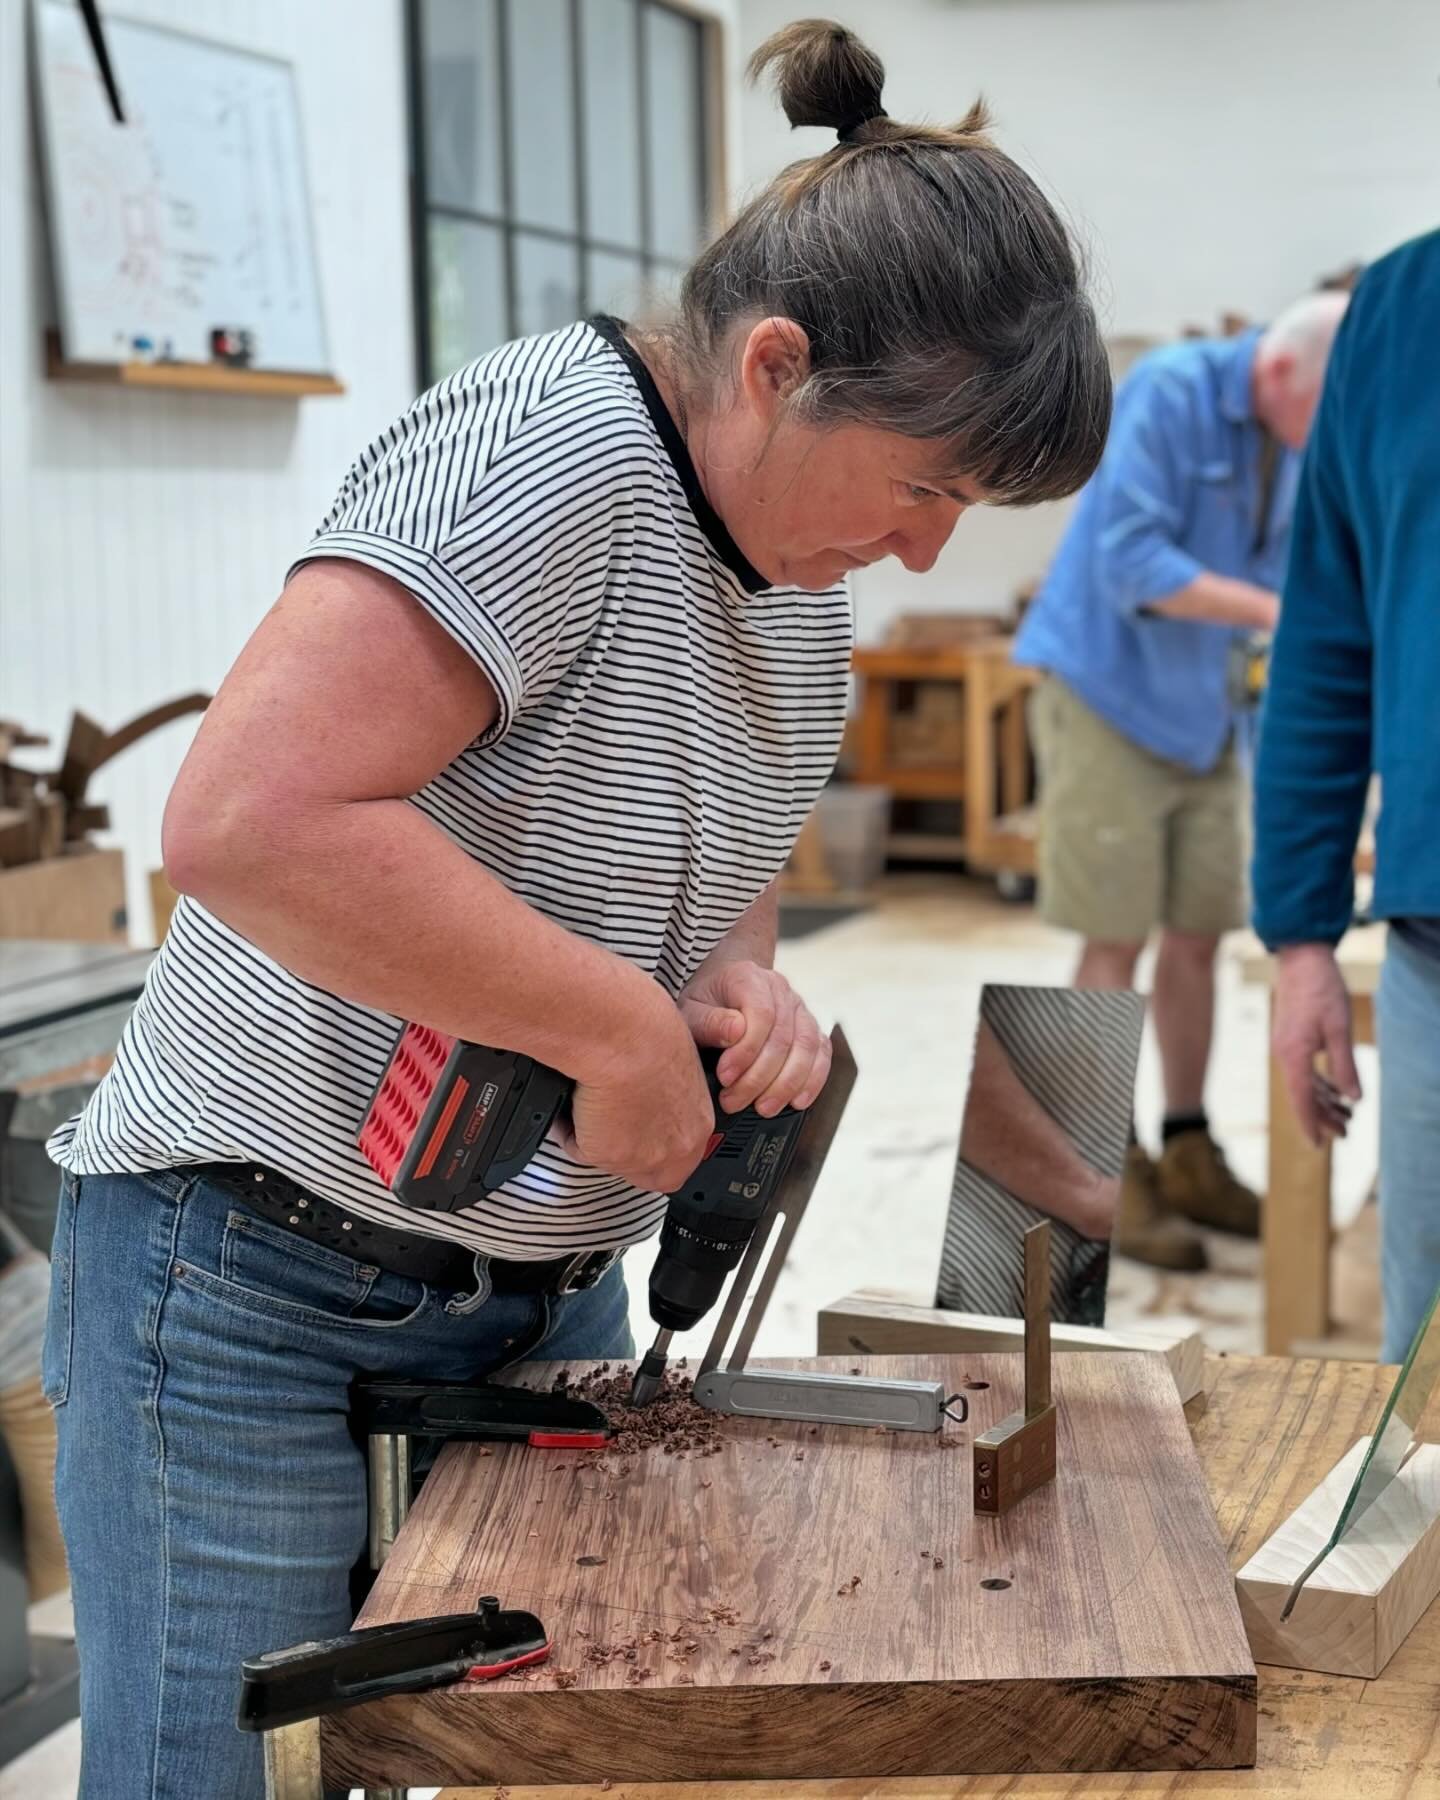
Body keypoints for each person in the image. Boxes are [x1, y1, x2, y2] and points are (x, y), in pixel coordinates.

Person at [41, 20, 1110, 1795]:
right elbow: (248, 817)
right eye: (927, 484)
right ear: (775, 367)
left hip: (541, 1287)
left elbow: (719, 871)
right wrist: (612, 1027)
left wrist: (736, 993)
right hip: (249, 1277)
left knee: (523, 1757)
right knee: (213, 1776)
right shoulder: (549, 452)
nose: (932, 548)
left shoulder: (791, 575)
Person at [1014, 292, 1348, 1270]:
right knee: (1116, 937)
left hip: (1208, 714)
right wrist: (1285, 613)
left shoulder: (1296, 434)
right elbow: (1131, 564)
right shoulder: (1168, 392)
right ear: (1282, 374)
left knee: (1200, 934)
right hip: (1112, 699)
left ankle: (1189, 1146)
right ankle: (1097, 1168)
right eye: (1322, 412)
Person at [1255, 231, 1440, 1364]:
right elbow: (1327, 635)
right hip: (1434, 958)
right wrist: (1301, 935)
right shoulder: (1402, 309)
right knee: (1423, 1388)